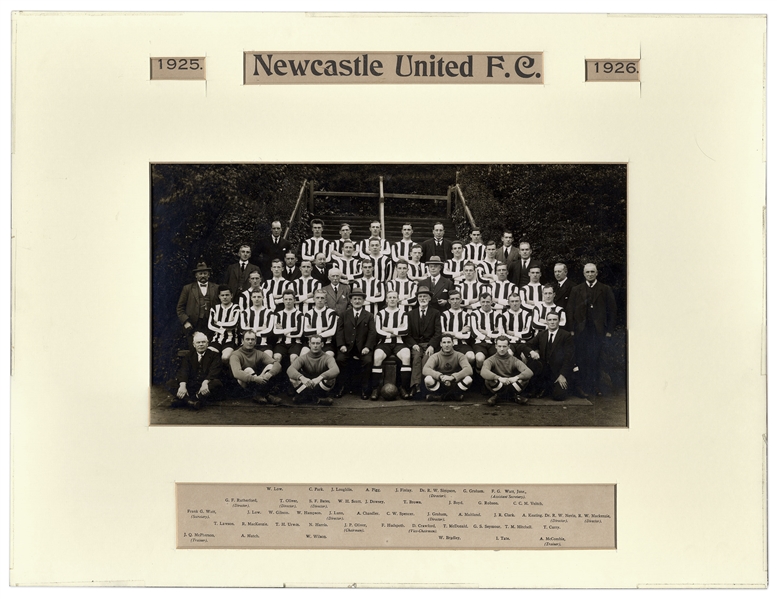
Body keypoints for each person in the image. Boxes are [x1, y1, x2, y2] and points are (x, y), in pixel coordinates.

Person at [566, 263, 617, 397]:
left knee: (595, 359)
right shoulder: (576, 289)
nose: (590, 274)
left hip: (597, 331)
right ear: (584, 274)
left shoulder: (605, 289)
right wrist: (571, 329)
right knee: (581, 359)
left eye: (592, 272)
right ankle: (583, 387)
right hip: (581, 330)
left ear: (596, 273)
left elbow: (612, 311)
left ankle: (595, 386)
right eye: (587, 272)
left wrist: (609, 330)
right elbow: (569, 310)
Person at [334, 289, 377, 399]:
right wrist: (341, 345)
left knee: (367, 361)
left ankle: (364, 389)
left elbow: (372, 333)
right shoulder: (344, 315)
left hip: (362, 347)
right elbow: (339, 331)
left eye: (359, 299)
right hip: (347, 347)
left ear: (363, 301)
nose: (357, 301)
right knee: (340, 359)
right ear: (351, 301)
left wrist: (367, 347)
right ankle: (342, 387)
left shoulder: (369, 315)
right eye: (355, 299)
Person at [371, 290, 412, 400]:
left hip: (399, 342)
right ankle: (375, 388)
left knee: (406, 356)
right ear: (387, 299)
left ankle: (404, 388)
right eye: (390, 297)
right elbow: (378, 331)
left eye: (394, 297)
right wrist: (396, 331)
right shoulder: (380, 313)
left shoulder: (403, 313)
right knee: (377, 357)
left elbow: (406, 330)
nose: (392, 299)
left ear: (398, 299)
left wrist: (388, 330)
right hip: (384, 343)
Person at [525, 312, 575, 401]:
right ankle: (543, 387)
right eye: (550, 320)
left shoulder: (566, 335)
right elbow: (526, 345)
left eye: (555, 319)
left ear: (559, 321)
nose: (552, 322)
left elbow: (569, 358)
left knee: (559, 396)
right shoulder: (541, 334)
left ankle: (549, 388)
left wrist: (562, 375)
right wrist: (532, 352)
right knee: (533, 362)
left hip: (558, 371)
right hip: (544, 371)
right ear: (546, 322)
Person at [170, 331, 223, 410]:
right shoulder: (189, 356)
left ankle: (185, 400)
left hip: (206, 385)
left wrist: (205, 383)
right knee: (170, 383)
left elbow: (214, 371)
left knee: (216, 384)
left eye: (203, 342)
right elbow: (184, 371)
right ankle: (192, 402)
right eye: (198, 342)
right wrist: (183, 386)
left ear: (207, 344)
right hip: (192, 385)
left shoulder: (214, 355)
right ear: (194, 345)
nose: (201, 344)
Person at [405, 286, 442, 397]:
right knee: (416, 358)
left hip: (429, 344)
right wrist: (413, 344)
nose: (422, 298)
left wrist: (431, 345)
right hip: (416, 344)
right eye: (420, 296)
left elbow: (438, 333)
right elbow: (407, 334)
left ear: (430, 298)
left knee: (426, 358)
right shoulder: (411, 314)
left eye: (425, 296)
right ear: (417, 299)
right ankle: (416, 386)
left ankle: (425, 386)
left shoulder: (435, 313)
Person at [229, 330, 283, 405]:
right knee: (248, 369)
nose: (250, 342)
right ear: (242, 341)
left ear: (255, 342)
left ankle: (260, 395)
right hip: (242, 385)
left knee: (271, 366)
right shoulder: (235, 354)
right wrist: (255, 379)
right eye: (247, 339)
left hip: (256, 382)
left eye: (252, 339)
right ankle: (266, 395)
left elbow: (277, 365)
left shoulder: (258, 353)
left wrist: (269, 374)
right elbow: (237, 373)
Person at [287, 334, 340, 405]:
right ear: (309, 344)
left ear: (322, 344)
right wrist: (302, 378)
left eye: (318, 343)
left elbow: (336, 370)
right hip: (306, 384)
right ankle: (316, 399)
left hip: (319, 384)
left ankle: (308, 397)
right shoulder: (303, 357)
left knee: (332, 378)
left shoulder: (328, 358)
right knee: (292, 378)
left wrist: (319, 378)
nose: (315, 346)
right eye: (313, 343)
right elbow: (290, 369)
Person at [481, 336, 534, 406]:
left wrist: (516, 378)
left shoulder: (514, 360)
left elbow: (529, 372)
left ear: (509, 347)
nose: (502, 349)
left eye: (504, 346)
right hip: (499, 383)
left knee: (525, 379)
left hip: (510, 384)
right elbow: (483, 372)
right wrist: (499, 378)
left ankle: (498, 396)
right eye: (499, 346)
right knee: (488, 379)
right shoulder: (490, 360)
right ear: (495, 346)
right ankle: (513, 396)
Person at [176, 261, 220, 344]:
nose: (203, 275)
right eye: (200, 273)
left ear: (209, 275)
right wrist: (186, 322)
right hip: (193, 324)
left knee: (210, 348)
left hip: (211, 324)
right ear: (196, 276)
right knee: (195, 348)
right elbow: (180, 308)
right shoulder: (188, 288)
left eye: (205, 273)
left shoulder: (216, 288)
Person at [422, 334, 474, 402]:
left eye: (449, 342)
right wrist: (440, 376)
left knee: (468, 379)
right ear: (441, 344)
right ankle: (452, 396)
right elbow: (425, 369)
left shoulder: (460, 355)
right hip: (441, 383)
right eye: (444, 342)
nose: (446, 345)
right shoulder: (435, 356)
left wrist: (453, 377)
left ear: (453, 343)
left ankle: (441, 397)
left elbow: (469, 369)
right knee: (428, 379)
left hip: (454, 383)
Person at [207, 284, 241, 365]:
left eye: (227, 295)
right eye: (222, 295)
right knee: (208, 356)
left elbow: (234, 324)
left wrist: (218, 323)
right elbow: (210, 325)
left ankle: (225, 377)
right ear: (219, 296)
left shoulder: (236, 308)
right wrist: (225, 327)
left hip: (230, 340)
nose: (225, 297)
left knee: (225, 357)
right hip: (216, 339)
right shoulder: (215, 308)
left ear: (231, 296)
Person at [440, 290, 475, 366]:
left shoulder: (467, 315)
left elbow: (467, 335)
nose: (455, 301)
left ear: (461, 300)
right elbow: (443, 333)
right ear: (449, 301)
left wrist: (451, 333)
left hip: (462, 344)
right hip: (447, 344)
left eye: (457, 299)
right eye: (452, 299)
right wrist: (460, 332)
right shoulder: (444, 315)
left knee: (471, 357)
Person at [273, 289, 305, 368]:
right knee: (276, 357)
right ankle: (276, 379)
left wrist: (282, 331)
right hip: (281, 343)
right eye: (286, 299)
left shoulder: (300, 315)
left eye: (290, 299)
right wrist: (290, 329)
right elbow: (275, 332)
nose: (288, 301)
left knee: (293, 357)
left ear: (294, 300)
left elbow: (299, 333)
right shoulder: (278, 315)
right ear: (283, 300)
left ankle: (293, 378)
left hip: (295, 343)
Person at [471, 292, 501, 373]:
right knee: (479, 358)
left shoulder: (498, 315)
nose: (485, 304)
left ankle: (493, 377)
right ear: (480, 302)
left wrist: (487, 333)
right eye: (483, 302)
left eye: (488, 301)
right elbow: (474, 331)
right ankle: (479, 376)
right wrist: (486, 336)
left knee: (498, 358)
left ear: (491, 302)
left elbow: (500, 332)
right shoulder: (474, 314)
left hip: (493, 343)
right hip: (479, 343)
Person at [302, 289, 339, 356]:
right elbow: (306, 332)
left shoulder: (331, 313)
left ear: (325, 300)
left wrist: (313, 332)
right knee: (302, 356)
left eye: (322, 298)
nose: (320, 300)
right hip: (311, 343)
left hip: (327, 343)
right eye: (317, 297)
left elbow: (331, 331)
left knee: (328, 356)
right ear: (313, 299)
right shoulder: (308, 314)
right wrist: (322, 329)